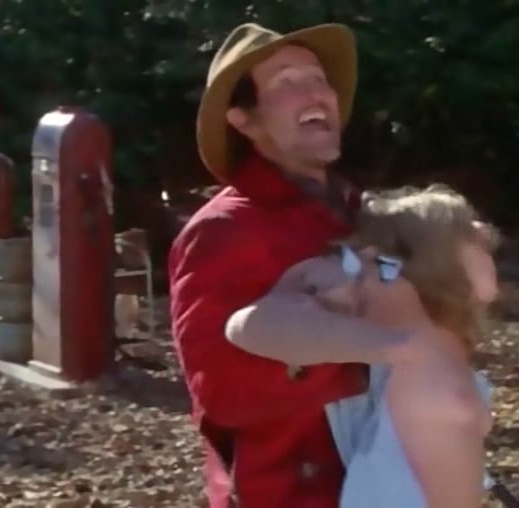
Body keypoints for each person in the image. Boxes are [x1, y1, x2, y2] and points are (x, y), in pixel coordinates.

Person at [168, 22, 436, 508]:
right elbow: (221, 391)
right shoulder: (223, 230)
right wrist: (365, 357)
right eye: (287, 82)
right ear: (244, 120)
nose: (315, 93)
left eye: (318, 79)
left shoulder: (363, 212)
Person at [226, 185, 500, 507]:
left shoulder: (441, 337)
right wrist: (398, 347)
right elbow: (248, 326)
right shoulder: (369, 283)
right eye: (465, 228)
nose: (484, 232)